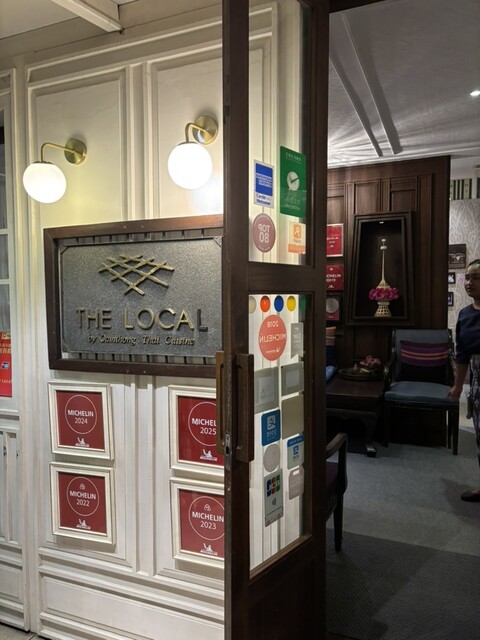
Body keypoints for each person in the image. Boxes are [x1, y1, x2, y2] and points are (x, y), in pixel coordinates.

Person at [449, 258, 480, 501]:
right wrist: (458, 386)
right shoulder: (465, 315)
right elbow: (461, 355)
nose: (469, 282)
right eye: (467, 277)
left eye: (476, 277)